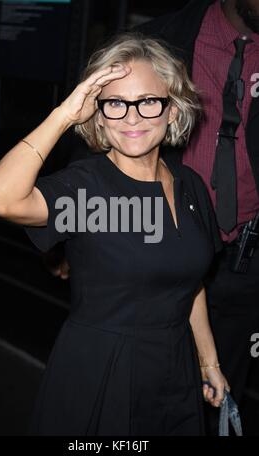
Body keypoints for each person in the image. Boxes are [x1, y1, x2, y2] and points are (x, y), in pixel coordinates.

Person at [0, 33, 230, 436]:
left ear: (173, 109)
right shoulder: (86, 187)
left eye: (148, 102)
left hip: (174, 370)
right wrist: (63, 114)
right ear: (97, 114)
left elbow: (190, 284)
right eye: (115, 103)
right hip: (100, 371)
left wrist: (209, 363)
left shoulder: (191, 185)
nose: (132, 118)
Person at [135, 0, 259, 434]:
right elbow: (99, 131)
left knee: (224, 393)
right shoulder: (162, 38)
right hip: (162, 246)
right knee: (147, 391)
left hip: (247, 256)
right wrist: (72, 234)